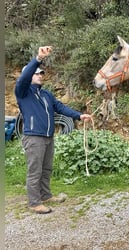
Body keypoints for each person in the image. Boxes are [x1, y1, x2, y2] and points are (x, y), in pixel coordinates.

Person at [15, 46, 92, 214]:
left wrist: (79, 116)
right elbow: (23, 78)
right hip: (34, 137)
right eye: (37, 73)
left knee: (47, 168)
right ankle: (34, 203)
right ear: (29, 75)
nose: (41, 75)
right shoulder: (22, 91)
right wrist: (38, 58)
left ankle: (45, 195)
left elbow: (60, 107)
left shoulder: (46, 94)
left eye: (42, 73)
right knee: (34, 171)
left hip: (48, 137)